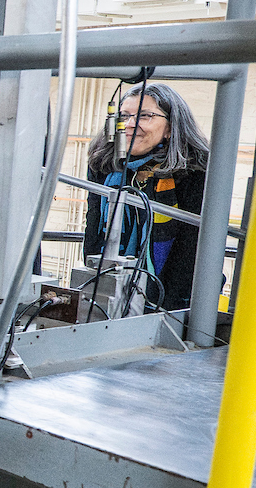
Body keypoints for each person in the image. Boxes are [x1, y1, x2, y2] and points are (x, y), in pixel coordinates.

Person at [82, 82, 208, 315]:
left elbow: (191, 249)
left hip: (174, 300)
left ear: (170, 127)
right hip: (108, 290)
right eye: (124, 116)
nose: (130, 124)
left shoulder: (195, 173)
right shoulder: (103, 165)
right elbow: (94, 228)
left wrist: (163, 309)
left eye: (145, 116)